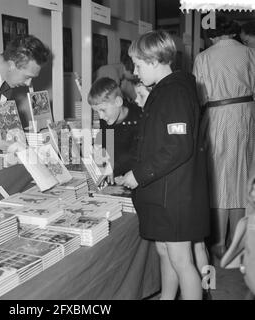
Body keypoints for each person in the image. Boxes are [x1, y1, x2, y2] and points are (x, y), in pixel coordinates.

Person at [117, 30, 210, 300]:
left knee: (182, 261)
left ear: (155, 60)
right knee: (164, 252)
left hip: (175, 194)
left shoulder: (176, 92)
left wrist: (140, 175)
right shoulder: (166, 90)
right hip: (164, 191)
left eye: (138, 64)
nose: (134, 71)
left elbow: (178, 146)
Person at [193, 16, 255, 260]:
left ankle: (218, 242)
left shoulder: (204, 58)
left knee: (218, 179)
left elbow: (199, 95)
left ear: (210, 34)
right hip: (246, 118)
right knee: (243, 177)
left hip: (217, 117)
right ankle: (235, 242)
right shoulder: (250, 53)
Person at [87, 77, 143, 185]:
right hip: (115, 179)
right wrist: (100, 160)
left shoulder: (139, 118)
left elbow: (137, 153)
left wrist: (113, 166)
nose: (101, 116)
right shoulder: (106, 119)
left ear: (118, 102)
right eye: (97, 112)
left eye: (103, 110)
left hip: (135, 179)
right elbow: (106, 145)